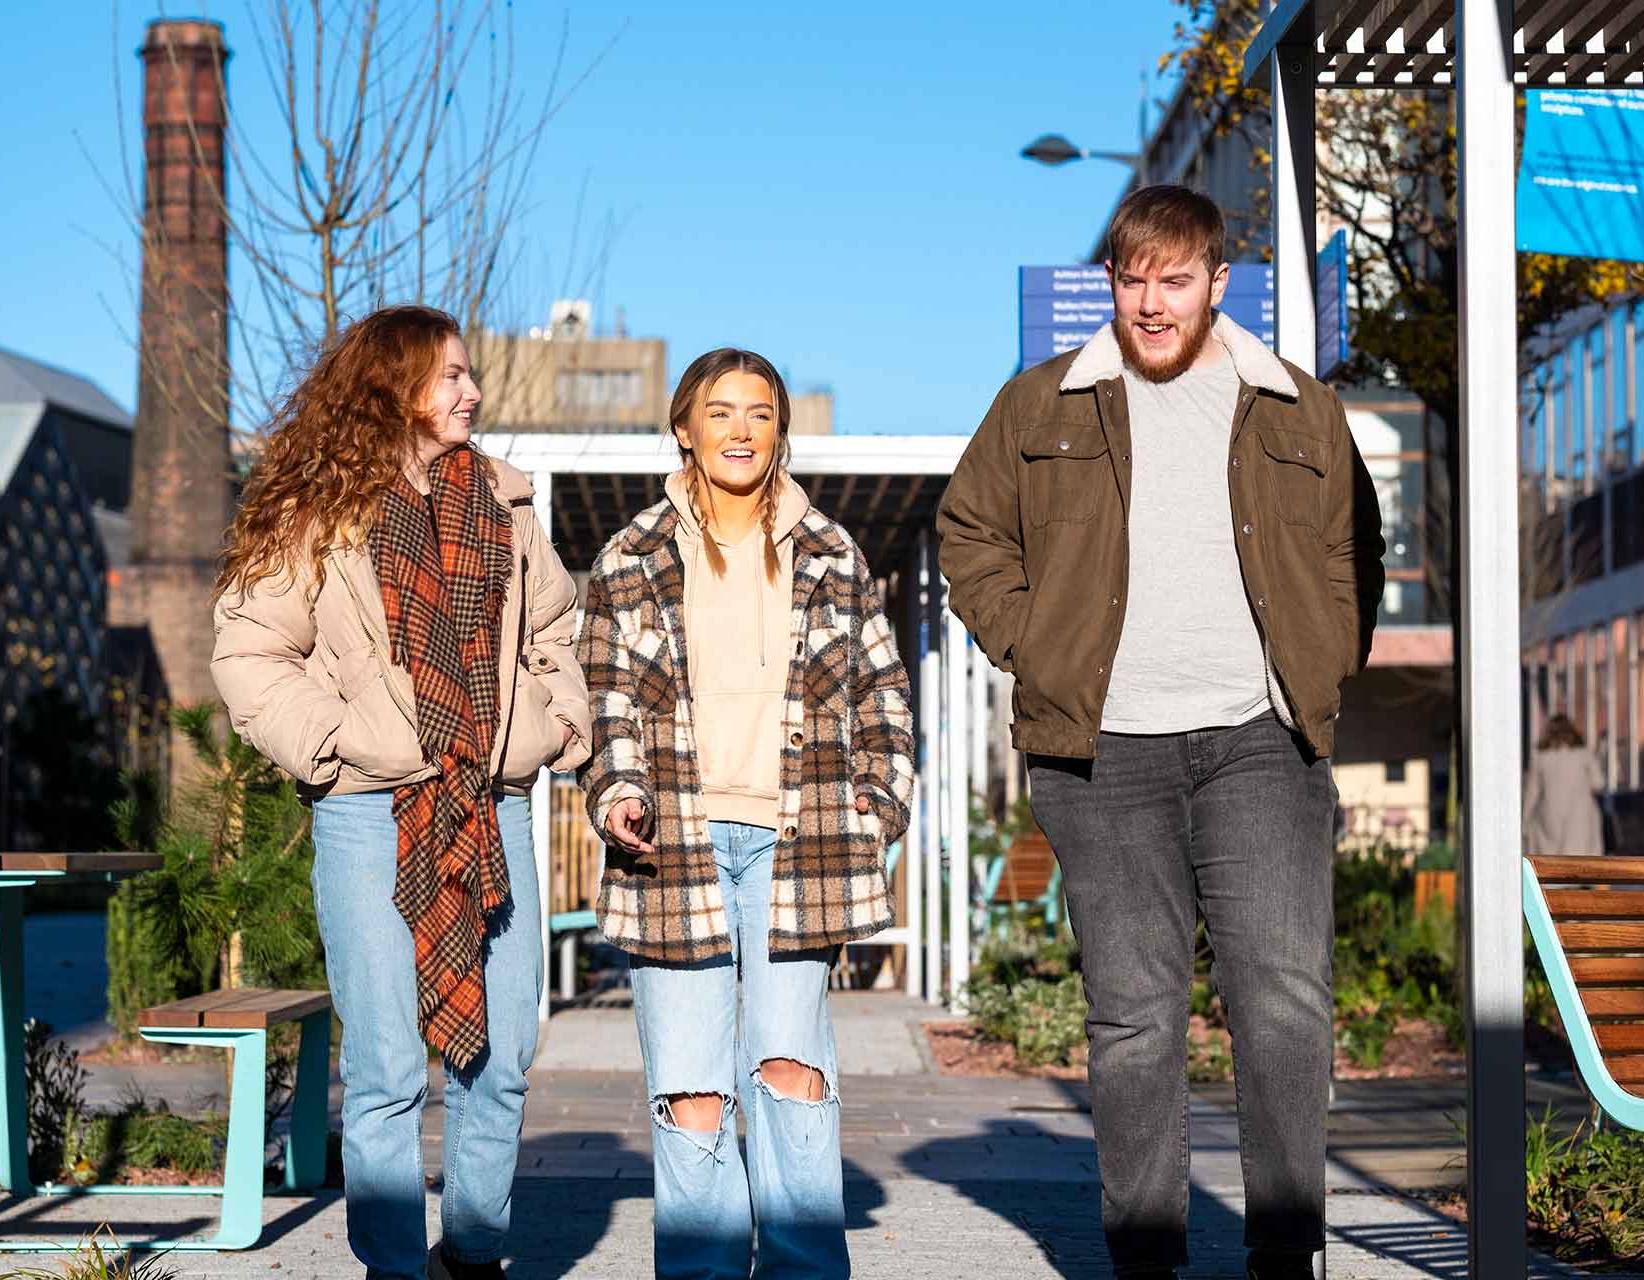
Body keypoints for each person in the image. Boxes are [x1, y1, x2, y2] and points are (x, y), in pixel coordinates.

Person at [938, 185, 1385, 1280]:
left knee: (1282, 999)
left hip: (1258, 740)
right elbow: (969, 533)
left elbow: (1352, 552)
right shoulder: (1041, 403)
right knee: (1135, 1017)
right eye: (1132, 278)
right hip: (1105, 751)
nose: (1150, 301)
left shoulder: (1296, 406)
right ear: (1112, 283)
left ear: (1218, 284)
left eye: (1173, 279)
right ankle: (1146, 1253)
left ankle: (1285, 1248)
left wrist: (1318, 664)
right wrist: (1036, 648)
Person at [211, 305, 590, 1280]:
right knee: (383, 1071)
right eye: (451, 375)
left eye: (468, 375)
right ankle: (393, 1267)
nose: (471, 391)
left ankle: (472, 1252)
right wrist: (338, 744)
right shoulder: (317, 507)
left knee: (497, 1061)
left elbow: (557, 634)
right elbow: (251, 653)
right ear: (394, 387)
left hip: (492, 804)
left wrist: (554, 723)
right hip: (368, 811)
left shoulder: (504, 502)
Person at [578, 347, 914, 1279]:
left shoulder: (831, 551)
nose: (739, 429)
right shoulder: (630, 557)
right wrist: (619, 793)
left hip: (797, 844)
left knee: (791, 1073)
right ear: (683, 428)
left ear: (780, 431)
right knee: (691, 1091)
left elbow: (884, 690)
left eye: (759, 413)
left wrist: (878, 805)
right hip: (671, 848)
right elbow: (603, 704)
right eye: (719, 412)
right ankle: (704, 1268)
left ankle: (806, 1267)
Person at [1522, 714, 1606, 856]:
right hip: (1579, 819)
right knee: (1580, 865)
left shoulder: (1540, 757)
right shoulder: (1583, 755)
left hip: (1548, 820)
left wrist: (1524, 822)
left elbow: (1532, 793)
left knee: (1550, 867)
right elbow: (1598, 783)